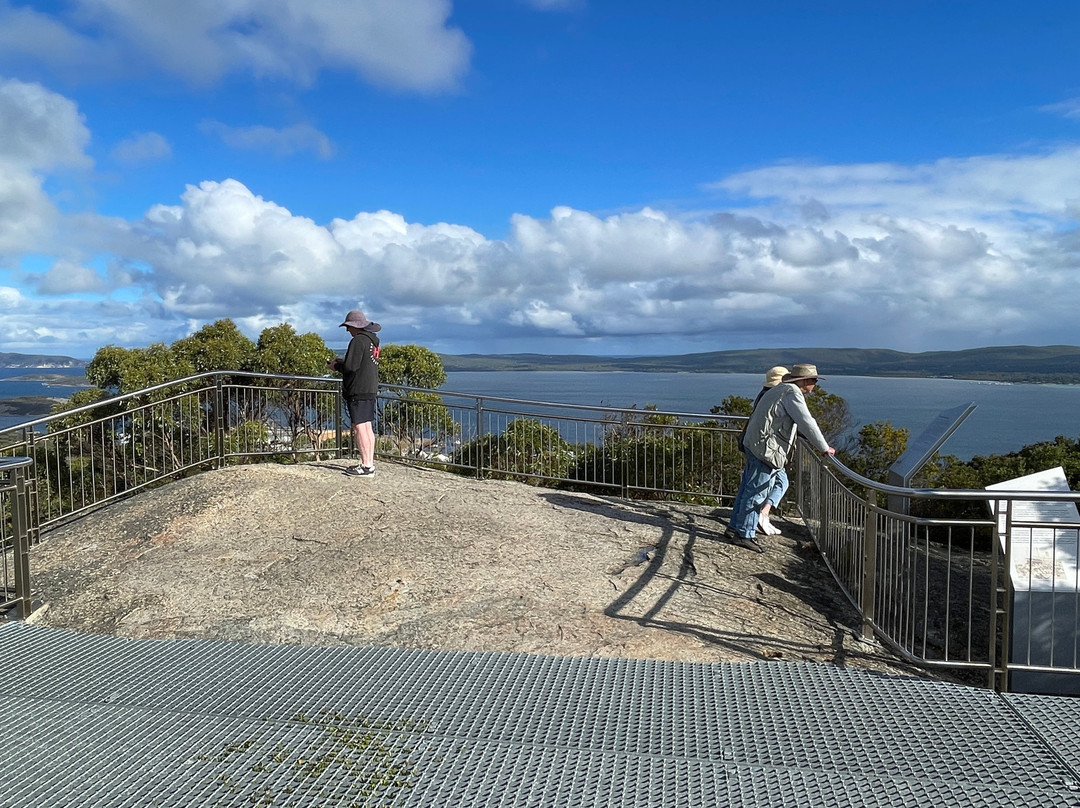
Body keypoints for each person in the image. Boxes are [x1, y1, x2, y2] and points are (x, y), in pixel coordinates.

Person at [727, 363, 835, 553]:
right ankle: (744, 534)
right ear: (803, 380)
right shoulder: (792, 393)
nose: (815, 385)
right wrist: (824, 448)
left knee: (747, 488)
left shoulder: (781, 390)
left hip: (755, 444)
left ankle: (735, 527)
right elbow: (807, 422)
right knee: (756, 492)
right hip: (765, 449)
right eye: (813, 380)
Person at [328, 309, 381, 477]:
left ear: (354, 326)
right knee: (367, 426)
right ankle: (369, 463)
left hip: (358, 389)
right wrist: (344, 361)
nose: (347, 330)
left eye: (348, 327)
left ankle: (366, 467)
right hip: (370, 388)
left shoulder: (358, 341)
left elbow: (351, 367)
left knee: (359, 427)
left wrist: (335, 366)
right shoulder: (372, 341)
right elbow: (360, 362)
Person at [750, 366, 788, 537]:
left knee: (769, 483)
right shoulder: (775, 397)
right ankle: (763, 514)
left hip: (758, 446)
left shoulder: (762, 395)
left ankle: (759, 516)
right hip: (769, 449)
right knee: (779, 482)